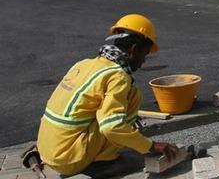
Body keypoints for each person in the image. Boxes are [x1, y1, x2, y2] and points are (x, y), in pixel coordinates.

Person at [34, 14, 179, 176]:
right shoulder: (118, 76)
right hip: (68, 159)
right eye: (144, 54)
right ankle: (104, 160)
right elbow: (111, 127)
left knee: (120, 106)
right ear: (134, 50)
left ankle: (97, 153)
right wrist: (152, 146)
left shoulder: (85, 64)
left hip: (47, 149)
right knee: (132, 97)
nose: (143, 61)